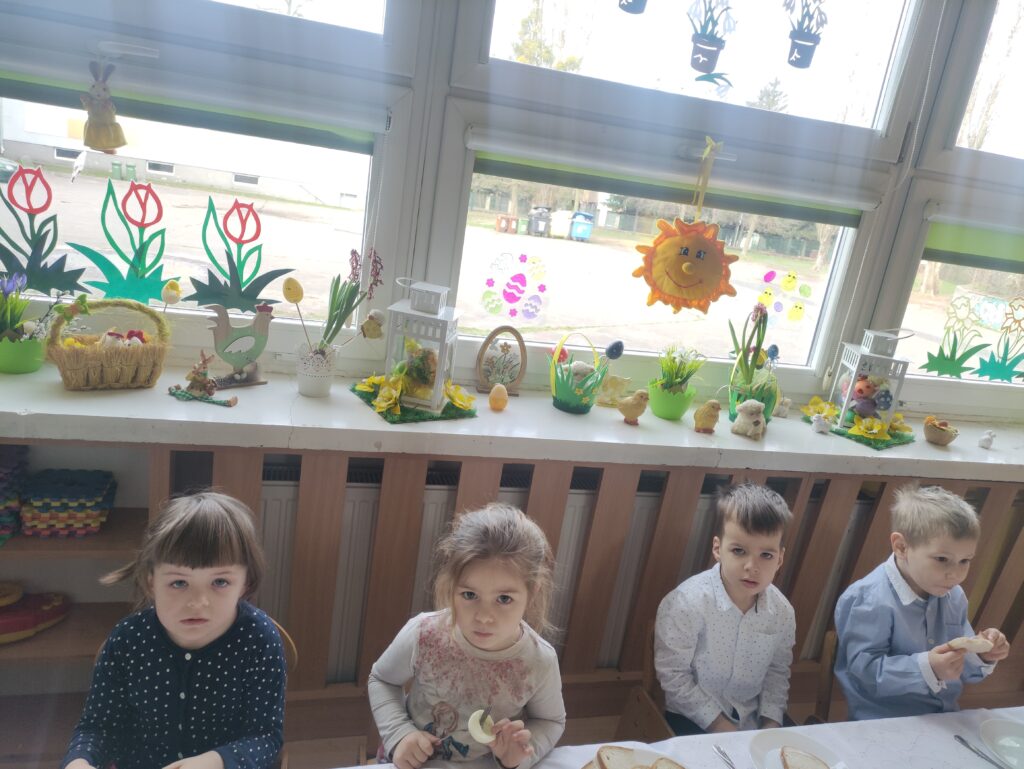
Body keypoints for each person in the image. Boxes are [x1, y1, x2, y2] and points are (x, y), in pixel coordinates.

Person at [62, 491, 286, 769]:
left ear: (245, 583)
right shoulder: (128, 640)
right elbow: (99, 727)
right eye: (179, 583)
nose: (198, 602)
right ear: (151, 582)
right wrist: (80, 761)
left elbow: (265, 736)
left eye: (220, 582)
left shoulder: (259, 639)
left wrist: (216, 761)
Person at [368, 503, 565, 769]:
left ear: (532, 593)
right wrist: (399, 734)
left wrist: (519, 757)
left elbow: (550, 721)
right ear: (451, 586)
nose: (484, 617)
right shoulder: (424, 633)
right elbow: (382, 679)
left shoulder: (539, 661)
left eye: (504, 599)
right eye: (469, 595)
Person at [835, 484, 1010, 720]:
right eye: (942, 559)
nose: (955, 574)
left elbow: (961, 664)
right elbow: (864, 674)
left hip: (943, 716)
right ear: (902, 547)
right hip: (884, 721)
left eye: (965, 561)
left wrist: (983, 653)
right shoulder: (869, 600)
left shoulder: (954, 596)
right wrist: (928, 667)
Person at [655, 483, 795, 735]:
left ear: (780, 559)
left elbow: (777, 673)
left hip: (752, 716)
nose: (752, 566)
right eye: (739, 551)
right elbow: (674, 676)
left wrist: (771, 725)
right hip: (693, 715)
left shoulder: (783, 612)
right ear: (718, 549)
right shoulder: (686, 602)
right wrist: (722, 727)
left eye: (766, 555)